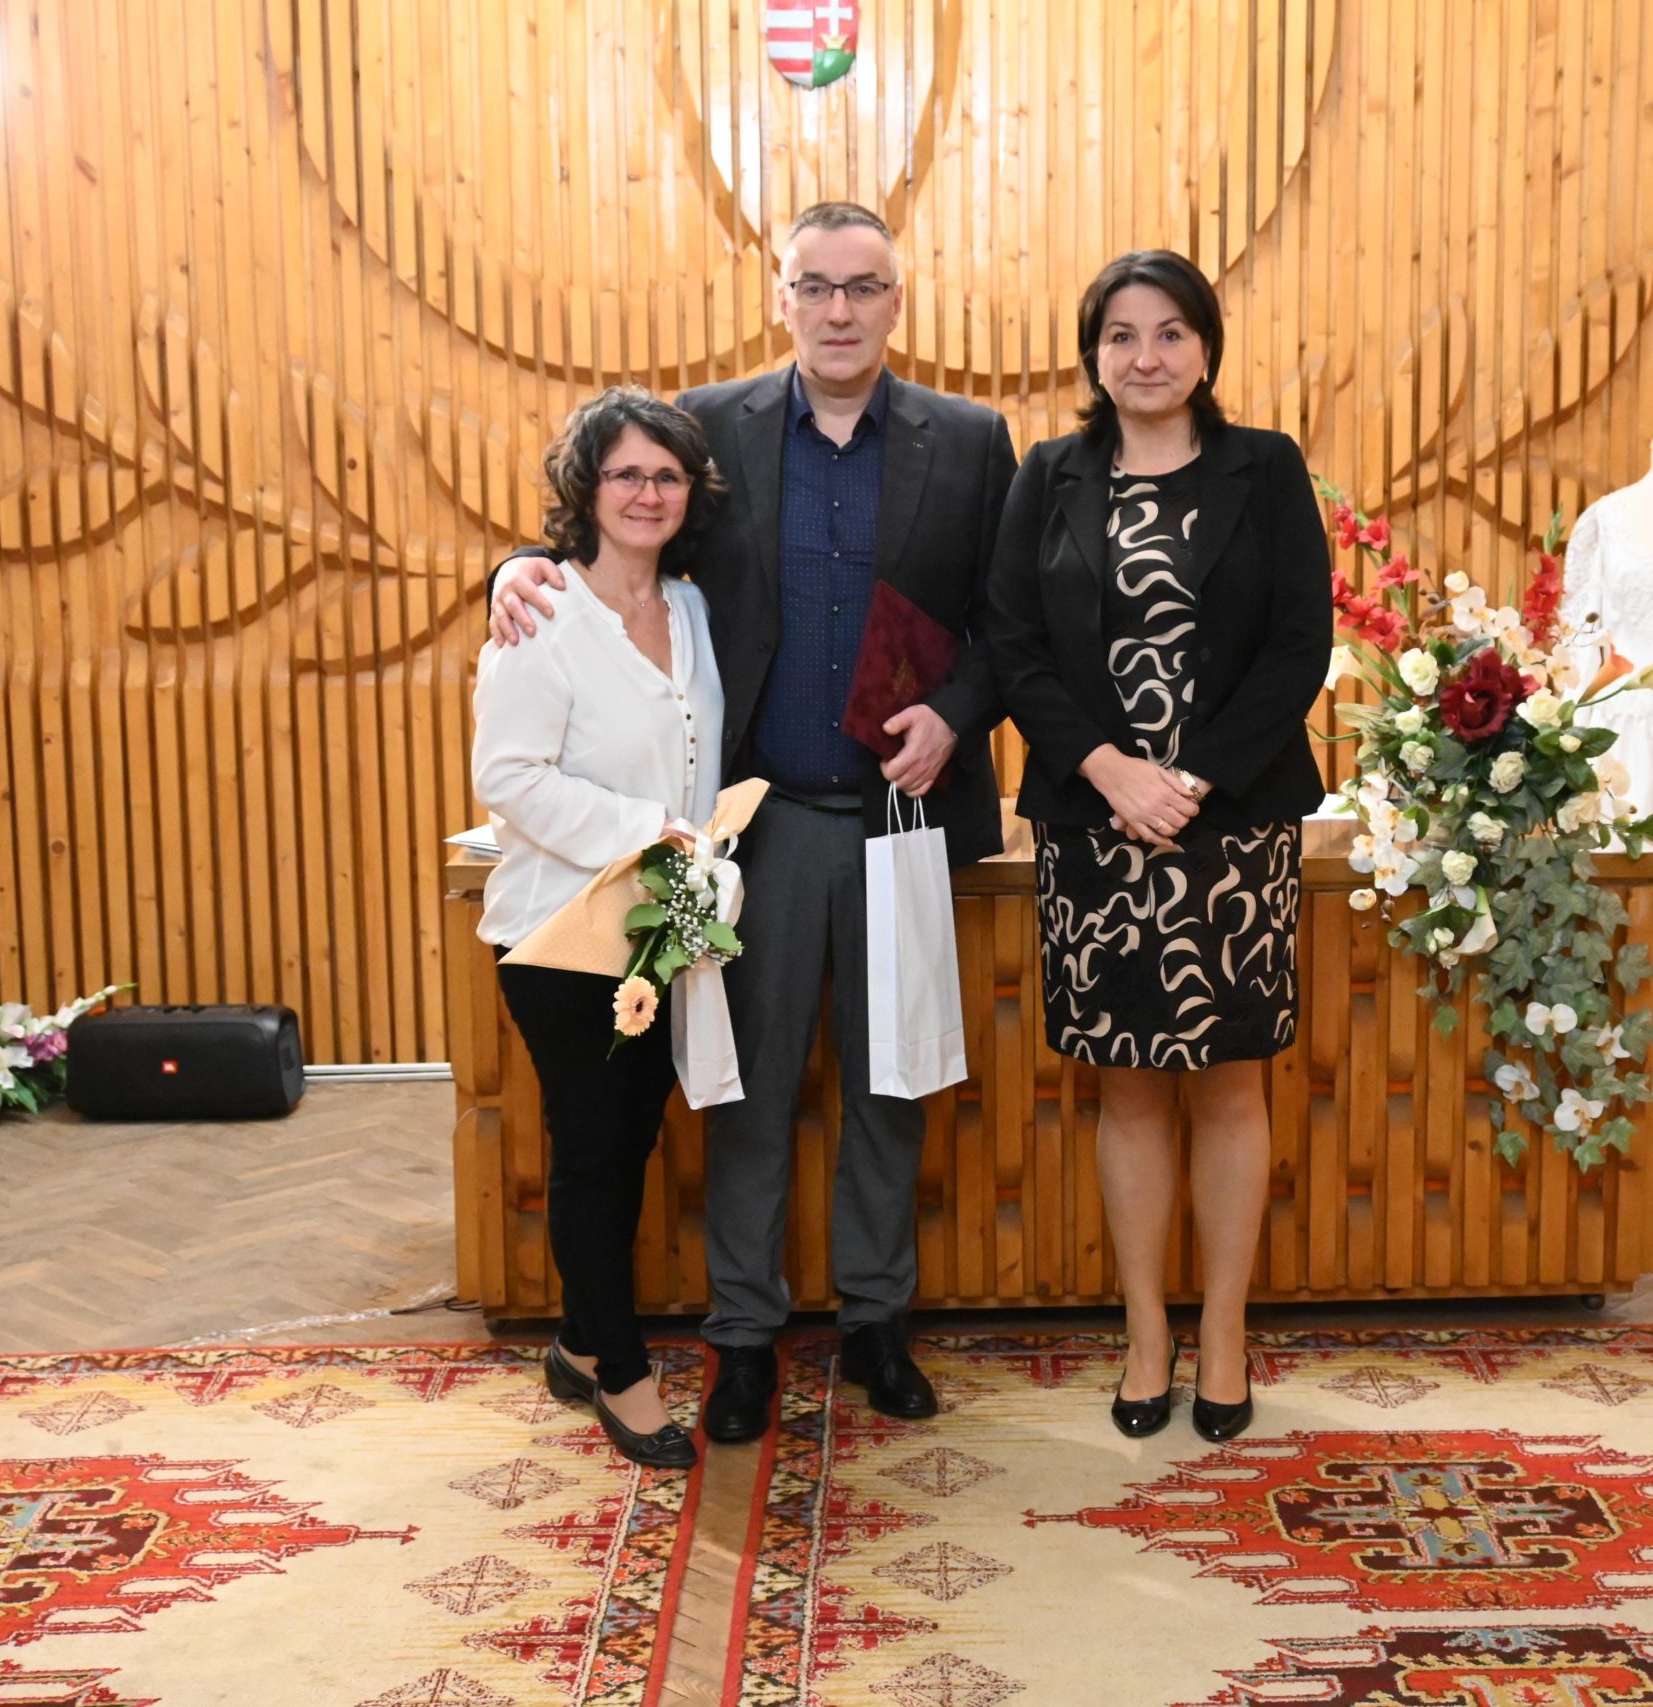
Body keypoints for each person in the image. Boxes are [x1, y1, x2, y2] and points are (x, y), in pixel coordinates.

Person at [489, 203, 1017, 1444]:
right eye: (814, 286)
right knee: (745, 1088)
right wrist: (510, 566)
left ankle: (877, 1320)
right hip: (748, 830)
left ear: (897, 302)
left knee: (892, 1081)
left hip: (900, 816)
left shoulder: (969, 439)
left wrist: (956, 712)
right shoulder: (712, 425)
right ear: (780, 299)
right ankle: (742, 1335)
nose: (839, 310)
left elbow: (1013, 620)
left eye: (864, 287)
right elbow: (614, 529)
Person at [984, 250, 1331, 1441]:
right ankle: (1145, 1336)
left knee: (1231, 1083)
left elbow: (1298, 644)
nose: (1146, 356)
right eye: (1121, 334)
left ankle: (1223, 1334)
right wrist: (1108, 768)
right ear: (1093, 354)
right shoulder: (1049, 474)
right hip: (1096, 828)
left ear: (1206, 348)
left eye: (1170, 332)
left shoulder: (1265, 468)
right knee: (1126, 1087)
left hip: (1231, 825)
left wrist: (1191, 777)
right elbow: (1013, 643)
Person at [472, 387, 728, 1469]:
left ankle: (579, 1342)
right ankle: (622, 1374)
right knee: (592, 1149)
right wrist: (645, 829)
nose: (647, 493)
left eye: (667, 475)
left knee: (632, 1138)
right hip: (561, 931)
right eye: (626, 473)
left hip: (663, 924)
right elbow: (507, 776)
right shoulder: (539, 615)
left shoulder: (694, 610)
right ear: (587, 488)